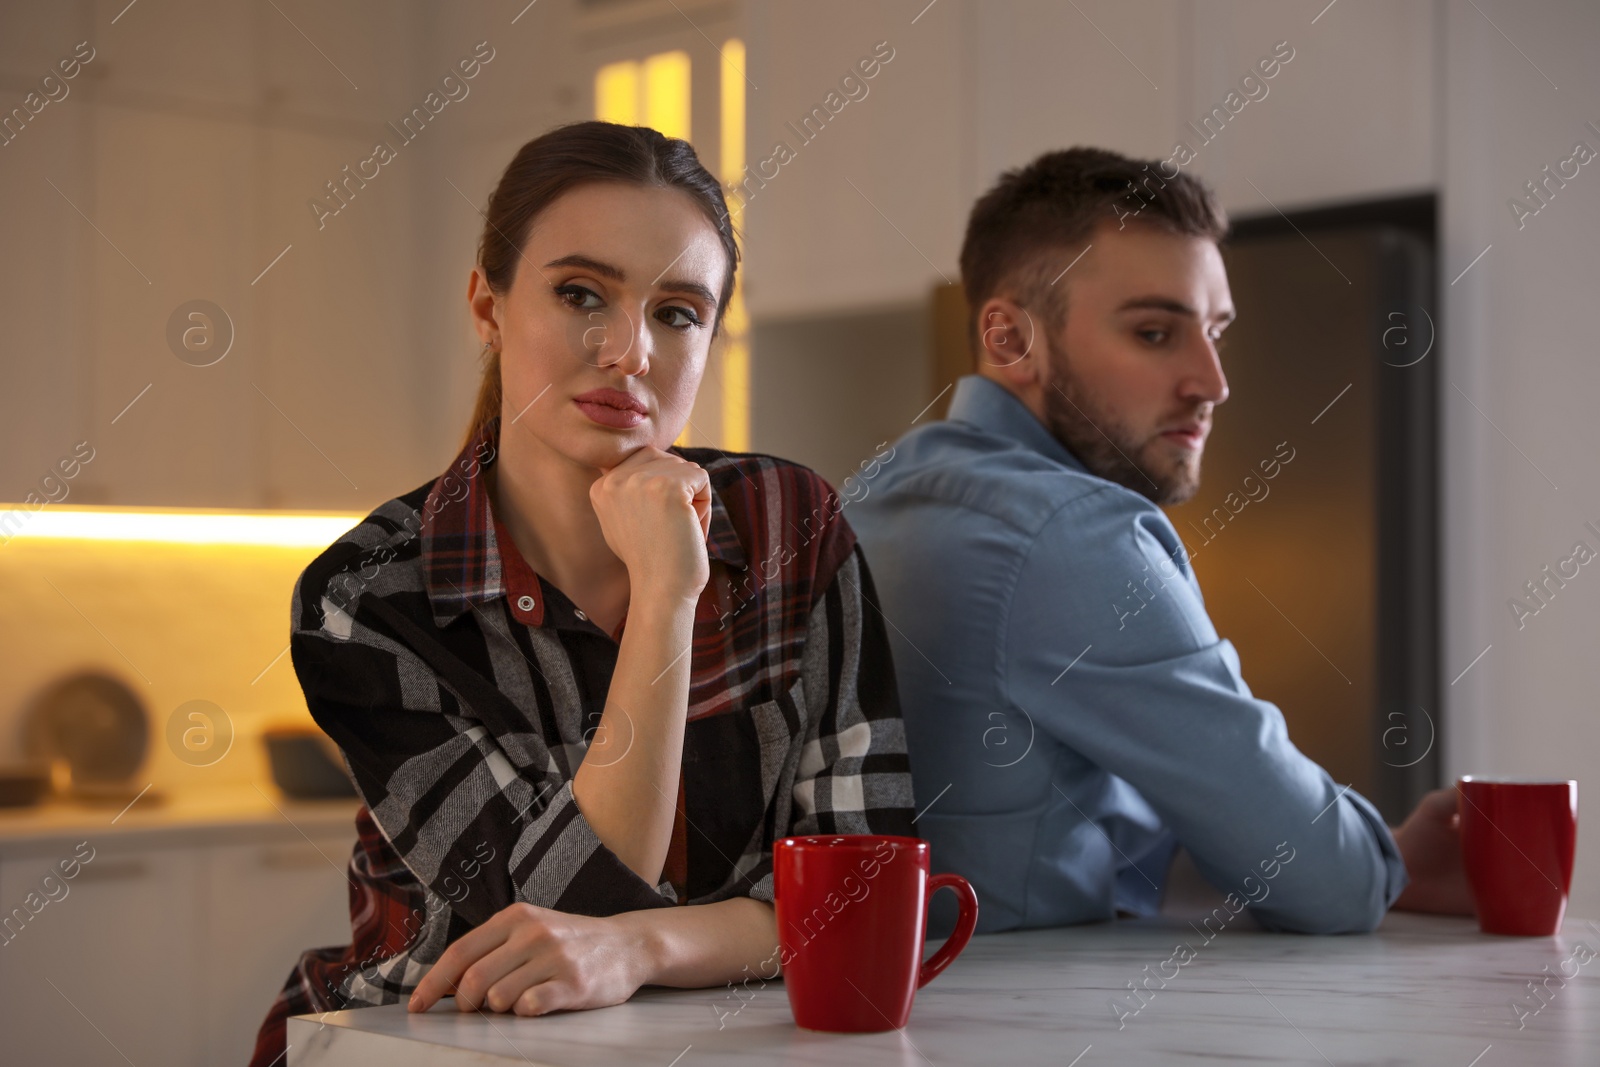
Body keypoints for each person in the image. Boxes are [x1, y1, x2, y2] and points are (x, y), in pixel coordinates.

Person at [248, 121, 915, 1066]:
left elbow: (868, 896)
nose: (630, 350)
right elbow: (572, 911)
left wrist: (646, 944)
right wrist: (668, 595)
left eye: (678, 311)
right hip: (417, 1043)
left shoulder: (789, 522)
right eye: (579, 295)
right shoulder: (366, 595)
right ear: (487, 304)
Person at [849, 147, 1472, 937]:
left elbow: (1057, 810)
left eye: (1214, 332)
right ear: (1010, 339)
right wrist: (1381, 860)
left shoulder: (866, 492)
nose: (1212, 381)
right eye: (1154, 332)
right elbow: (1330, 885)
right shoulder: (1073, 533)